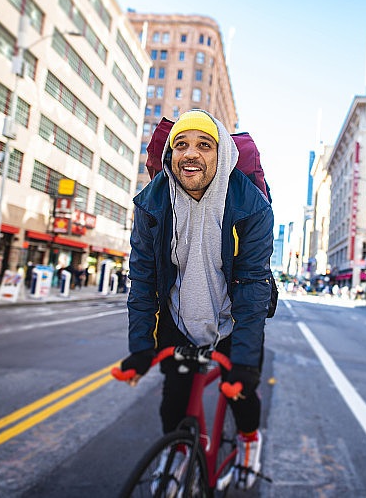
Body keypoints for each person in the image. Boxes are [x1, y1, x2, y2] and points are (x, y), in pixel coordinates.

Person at [118, 110, 273, 490]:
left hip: (232, 321)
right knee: (173, 403)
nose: (190, 153)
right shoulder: (152, 204)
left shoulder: (252, 207)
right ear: (170, 154)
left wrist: (245, 362)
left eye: (204, 145)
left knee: (241, 395)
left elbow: (252, 285)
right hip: (179, 321)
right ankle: (178, 454)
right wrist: (141, 348)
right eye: (181, 145)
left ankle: (249, 440)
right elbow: (143, 280)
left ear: (223, 155)